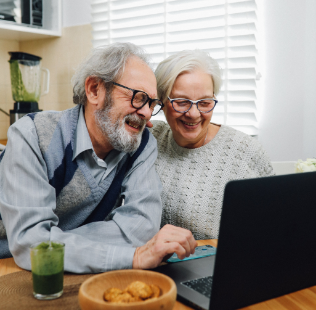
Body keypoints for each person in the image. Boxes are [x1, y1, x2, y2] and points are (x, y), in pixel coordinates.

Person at [0, 43, 196, 273]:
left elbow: (141, 227)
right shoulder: (31, 134)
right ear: (94, 90)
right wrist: (130, 256)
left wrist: (52, 240)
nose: (145, 112)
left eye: (151, 103)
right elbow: (29, 244)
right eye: (138, 97)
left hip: (63, 269)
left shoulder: (141, 144)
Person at [150, 50, 274, 239]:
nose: (193, 113)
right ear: (162, 102)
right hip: (155, 262)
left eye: (205, 102)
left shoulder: (246, 151)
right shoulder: (149, 138)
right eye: (182, 102)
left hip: (220, 262)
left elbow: (275, 222)